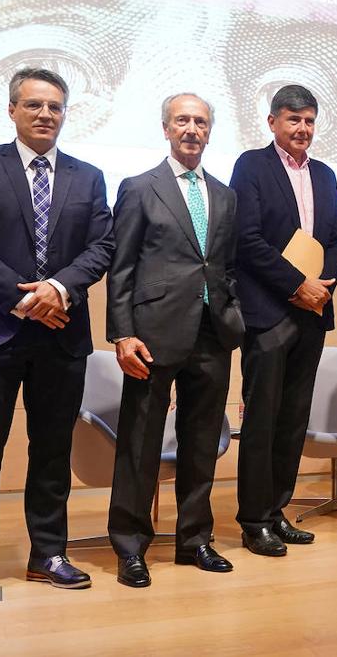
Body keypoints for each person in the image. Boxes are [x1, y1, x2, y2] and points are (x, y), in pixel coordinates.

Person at [0, 67, 114, 606]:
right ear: (13, 110)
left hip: (61, 332)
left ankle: (48, 553)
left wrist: (58, 290)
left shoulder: (88, 177)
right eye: (34, 105)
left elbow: (102, 247)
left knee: (52, 449)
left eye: (55, 107)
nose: (45, 115)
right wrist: (23, 299)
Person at [105, 93, 245, 587]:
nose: (192, 128)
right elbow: (120, 268)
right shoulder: (139, 187)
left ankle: (194, 541)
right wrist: (122, 333)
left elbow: (224, 265)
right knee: (140, 442)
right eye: (182, 120)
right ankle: (130, 545)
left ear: (210, 132)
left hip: (212, 331)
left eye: (200, 122)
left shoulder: (225, 195)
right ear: (165, 128)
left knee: (202, 442)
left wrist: (233, 312)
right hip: (152, 334)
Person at [229, 85, 337, 556]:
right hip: (269, 311)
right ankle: (253, 519)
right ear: (273, 122)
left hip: (313, 312)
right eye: (293, 119)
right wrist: (296, 284)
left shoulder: (325, 173)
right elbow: (247, 239)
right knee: (262, 419)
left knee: (294, 419)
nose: (302, 129)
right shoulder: (251, 166)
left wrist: (322, 284)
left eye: (310, 121)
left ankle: (277, 511)